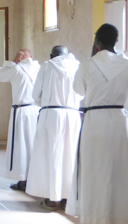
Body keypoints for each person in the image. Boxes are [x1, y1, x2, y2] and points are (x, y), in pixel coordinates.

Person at [65, 24, 128, 224]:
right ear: (117, 40)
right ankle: (119, 217)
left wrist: (91, 57)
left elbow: (78, 90)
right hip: (119, 122)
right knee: (117, 171)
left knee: (94, 171)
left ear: (96, 41)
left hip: (95, 122)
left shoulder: (87, 64)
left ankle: (95, 218)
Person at [26, 46, 82, 210]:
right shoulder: (77, 66)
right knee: (69, 156)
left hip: (51, 114)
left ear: (51, 56)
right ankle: (68, 198)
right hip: (72, 114)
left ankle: (52, 198)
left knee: (51, 156)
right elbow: (82, 93)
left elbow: (35, 94)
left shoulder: (47, 66)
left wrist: (44, 101)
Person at [0, 48, 40, 191]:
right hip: (35, 110)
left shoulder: (17, 69)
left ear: (21, 57)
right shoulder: (39, 68)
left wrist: (14, 62)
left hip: (21, 111)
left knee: (21, 146)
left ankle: (22, 179)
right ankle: (33, 178)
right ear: (31, 57)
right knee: (33, 145)